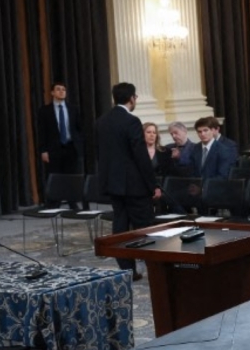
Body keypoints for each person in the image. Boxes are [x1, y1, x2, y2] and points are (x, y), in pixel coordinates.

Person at [97, 83, 160, 278]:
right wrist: (153, 185)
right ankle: (155, 269)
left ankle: (127, 270)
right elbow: (140, 156)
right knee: (145, 228)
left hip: (113, 184)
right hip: (135, 186)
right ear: (131, 98)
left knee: (120, 227)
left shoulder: (101, 121)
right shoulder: (131, 121)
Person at [36, 81, 85, 178]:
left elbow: (80, 128)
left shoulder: (73, 109)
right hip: (54, 149)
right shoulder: (45, 111)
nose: (61, 92)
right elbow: (42, 131)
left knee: (73, 177)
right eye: (58, 89)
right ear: (52, 93)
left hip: (71, 147)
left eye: (63, 90)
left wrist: (80, 143)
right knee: (56, 177)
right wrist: (43, 150)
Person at [183, 117, 237, 181]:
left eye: (205, 130)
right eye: (199, 132)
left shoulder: (223, 150)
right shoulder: (195, 148)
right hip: (196, 187)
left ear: (212, 131)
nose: (202, 134)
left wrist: (202, 186)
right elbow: (191, 171)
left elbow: (223, 176)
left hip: (214, 187)